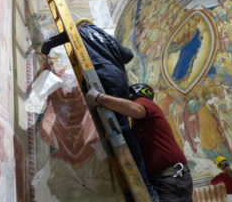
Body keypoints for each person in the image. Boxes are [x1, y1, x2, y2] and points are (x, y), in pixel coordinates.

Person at [41, 19, 159, 202]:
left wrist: (44, 52)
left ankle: (143, 184)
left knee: (119, 133)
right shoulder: (106, 37)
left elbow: (50, 43)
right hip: (120, 81)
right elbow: (128, 55)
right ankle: (142, 181)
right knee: (122, 128)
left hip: (102, 78)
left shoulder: (79, 32)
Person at [86, 83, 193, 202]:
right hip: (169, 179)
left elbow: (135, 110)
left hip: (171, 178)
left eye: (129, 93)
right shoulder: (142, 124)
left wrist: (100, 98)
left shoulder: (145, 103)